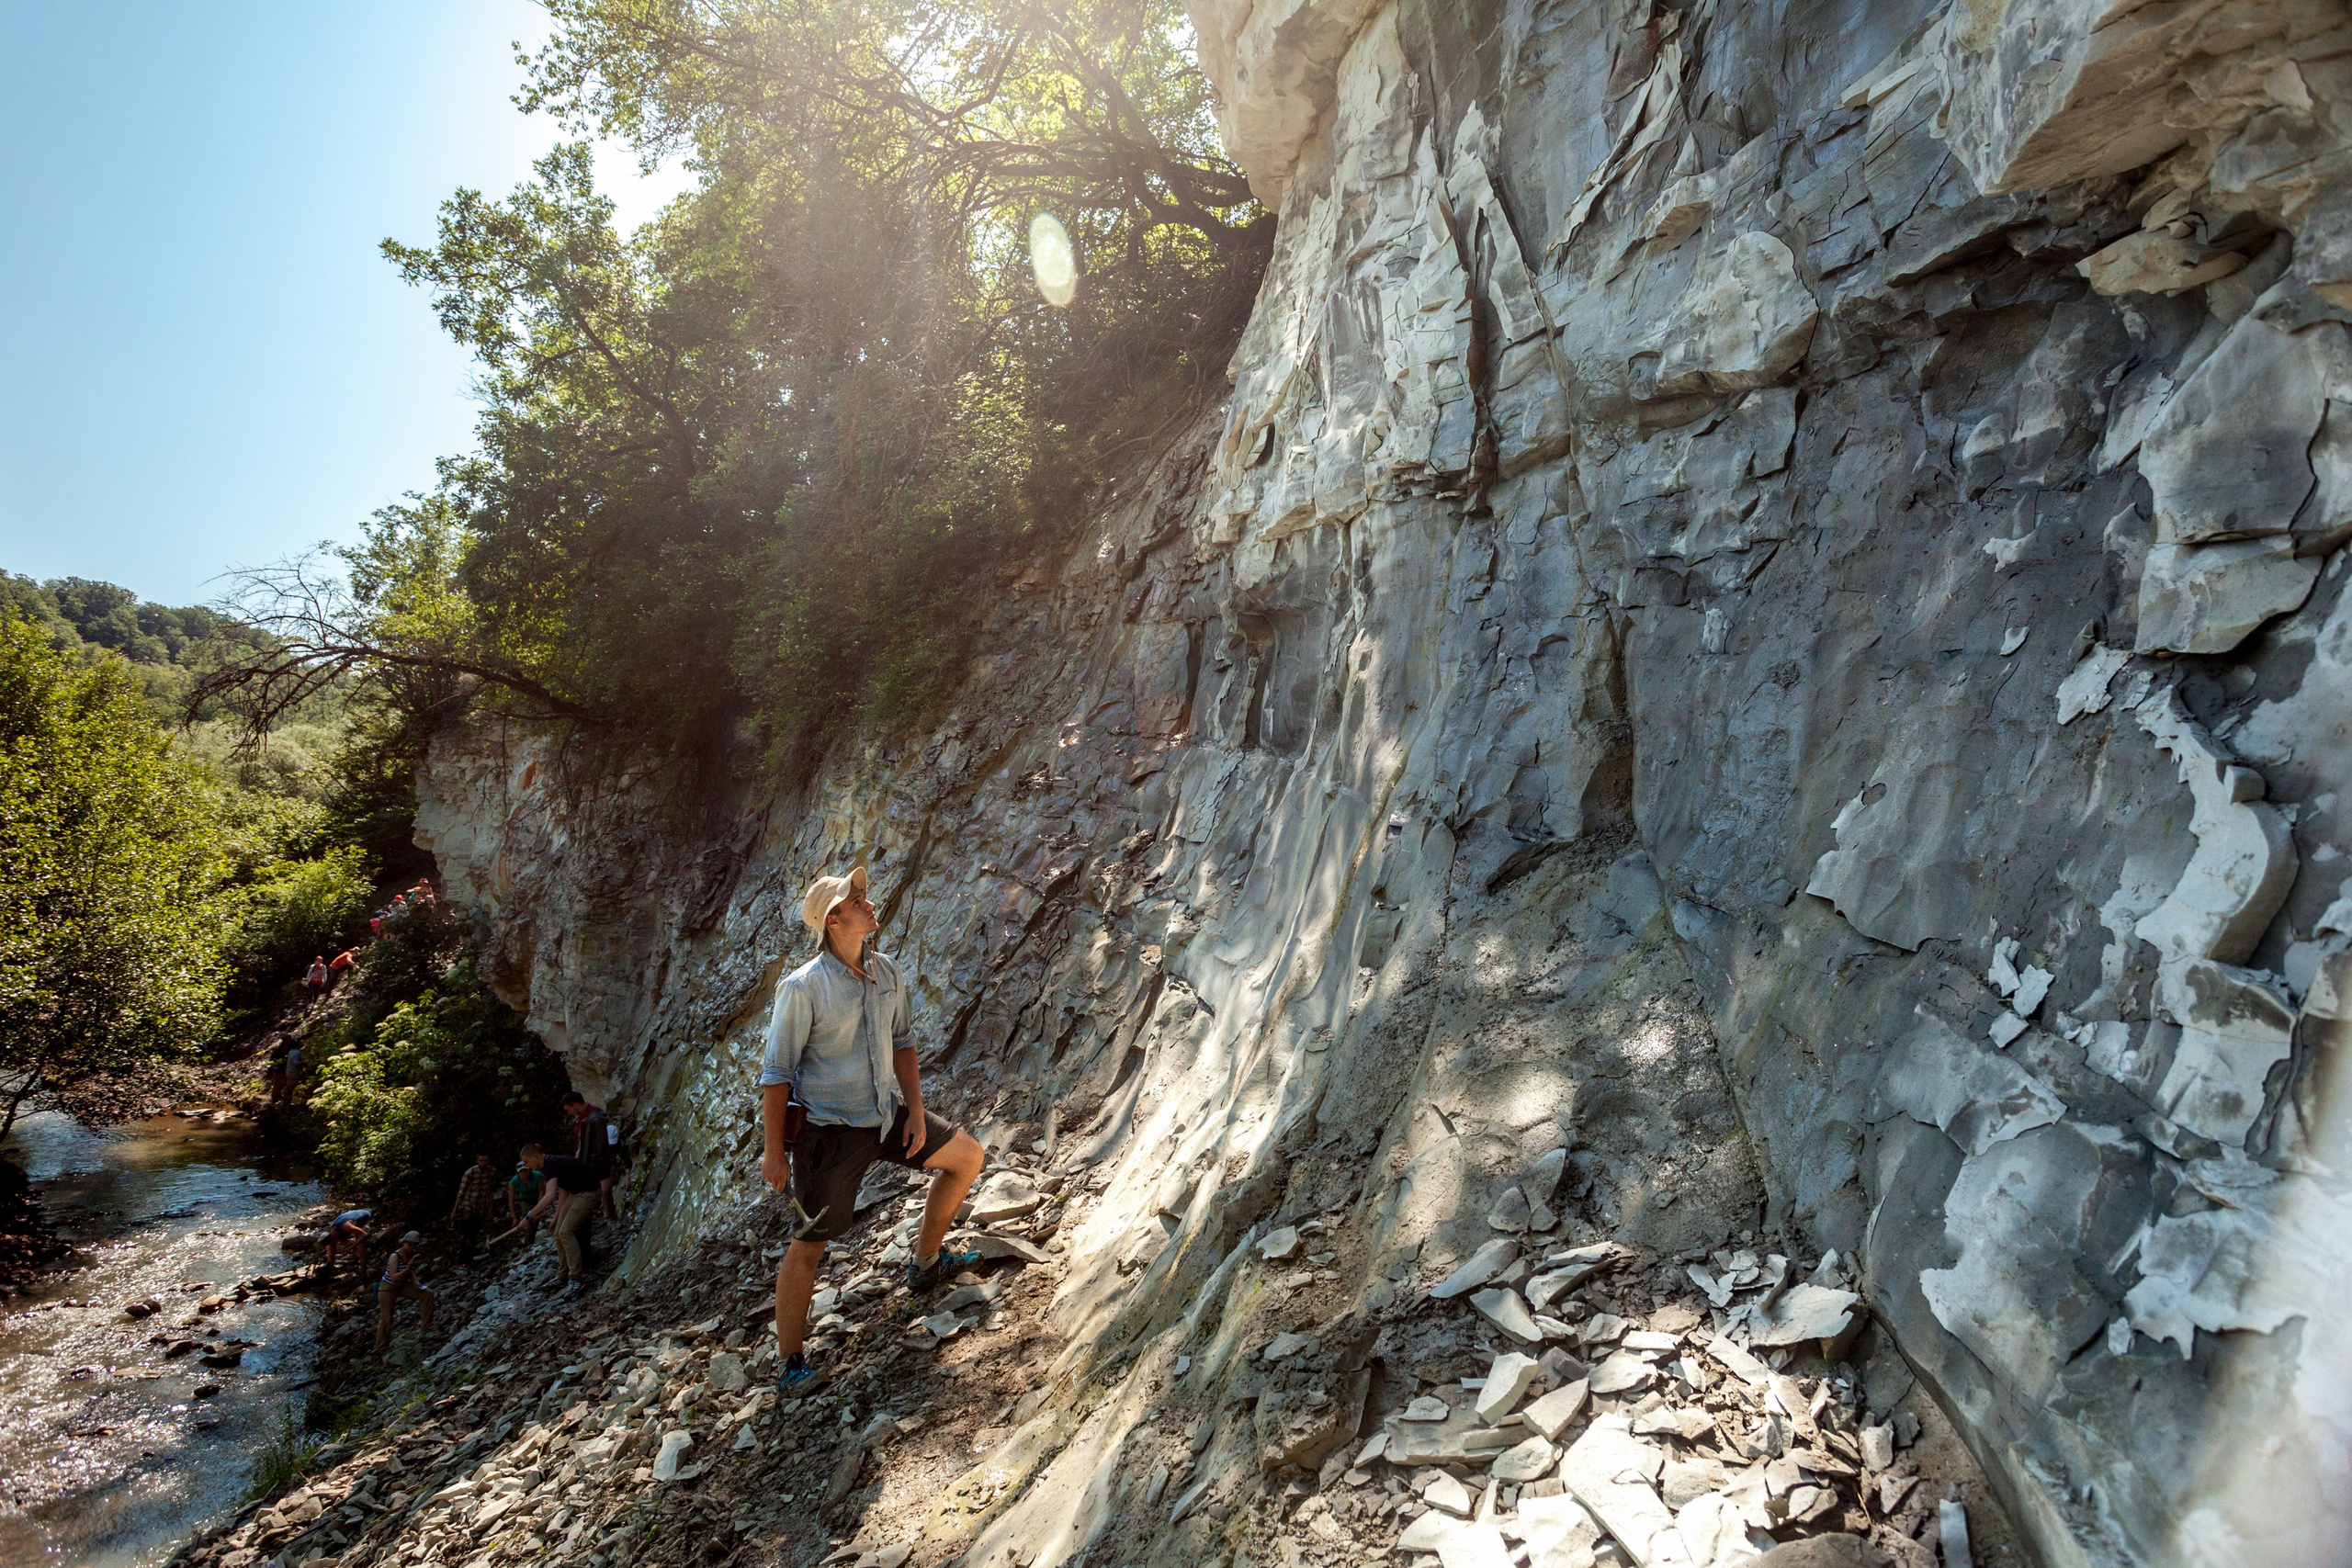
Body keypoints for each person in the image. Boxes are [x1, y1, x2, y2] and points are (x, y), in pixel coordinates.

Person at [760, 863, 987, 1397]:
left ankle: (926, 1263)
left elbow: (904, 1041)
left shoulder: (887, 971)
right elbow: (777, 1075)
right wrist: (774, 1153)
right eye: (855, 899)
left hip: (886, 1116)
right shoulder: (802, 988)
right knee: (810, 1244)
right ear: (834, 919)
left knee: (967, 1157)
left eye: (863, 895)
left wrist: (914, 1108)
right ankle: (789, 1362)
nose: (867, 901)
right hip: (829, 1134)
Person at [516, 1143, 605, 1295]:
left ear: (535, 1156)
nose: (527, 1166)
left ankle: (576, 1277)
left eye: (527, 1162)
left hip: (589, 1192)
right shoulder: (549, 1167)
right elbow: (563, 1191)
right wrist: (557, 1217)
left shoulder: (551, 1165)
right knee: (558, 1232)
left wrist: (529, 1216)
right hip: (574, 1193)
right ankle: (563, 1275)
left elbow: (550, 1196)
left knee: (566, 1232)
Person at [561, 1091, 619, 1221]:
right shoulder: (583, 1118)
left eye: (569, 1109)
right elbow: (582, 1143)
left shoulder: (595, 1119)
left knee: (603, 1191)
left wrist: (589, 1167)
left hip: (595, 1163)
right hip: (586, 1161)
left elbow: (601, 1149)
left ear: (575, 1104)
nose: (569, 1113)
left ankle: (610, 1217)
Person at [376, 1231, 435, 1351]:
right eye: (410, 1245)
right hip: (388, 1288)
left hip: (402, 1285)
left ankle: (426, 1329)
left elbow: (411, 1272)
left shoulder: (411, 1254)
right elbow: (394, 1277)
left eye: (415, 1245)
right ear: (404, 1243)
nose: (412, 1247)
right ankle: (381, 1347)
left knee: (428, 1294)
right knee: (387, 1318)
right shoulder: (395, 1256)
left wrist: (415, 1283)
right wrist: (407, 1269)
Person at [447, 1152, 501, 1262]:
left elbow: (491, 1191)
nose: (483, 1163)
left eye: (485, 1160)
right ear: (477, 1161)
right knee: (465, 1232)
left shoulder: (492, 1172)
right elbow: (461, 1192)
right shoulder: (470, 1173)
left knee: (474, 1233)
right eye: (481, 1161)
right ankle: (462, 1258)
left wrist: (490, 1208)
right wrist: (455, 1209)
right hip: (468, 1206)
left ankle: (470, 1257)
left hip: (481, 1207)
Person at [323, 1208, 372, 1278]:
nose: (335, 1242)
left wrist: (349, 1248)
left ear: (334, 1233)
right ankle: (330, 1265)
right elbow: (336, 1244)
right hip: (350, 1219)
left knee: (361, 1245)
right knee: (331, 1245)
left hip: (366, 1216)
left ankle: (363, 1271)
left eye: (334, 1240)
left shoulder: (346, 1227)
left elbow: (364, 1235)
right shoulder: (332, 1230)